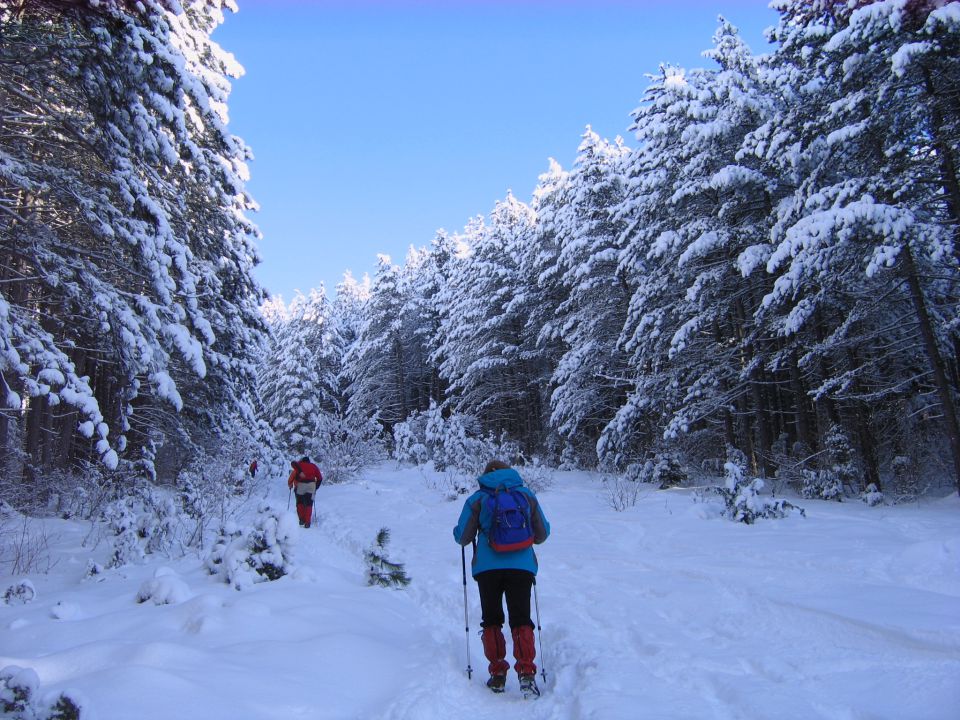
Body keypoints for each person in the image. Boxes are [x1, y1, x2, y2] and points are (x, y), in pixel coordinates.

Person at [453, 460, 550, 697]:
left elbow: (462, 538)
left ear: (486, 475)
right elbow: (543, 533)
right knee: (521, 618)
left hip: (488, 568)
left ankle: (497, 673)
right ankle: (527, 674)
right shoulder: (526, 495)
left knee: (492, 619)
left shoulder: (478, 498)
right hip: (522, 567)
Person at [287, 456, 322, 528]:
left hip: (300, 485)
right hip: (311, 486)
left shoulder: (299, 466)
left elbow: (292, 475)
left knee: (300, 503)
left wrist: (290, 484)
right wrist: (316, 487)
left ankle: (301, 519)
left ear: (302, 461)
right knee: (309, 504)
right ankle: (307, 522)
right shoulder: (313, 466)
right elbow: (320, 478)